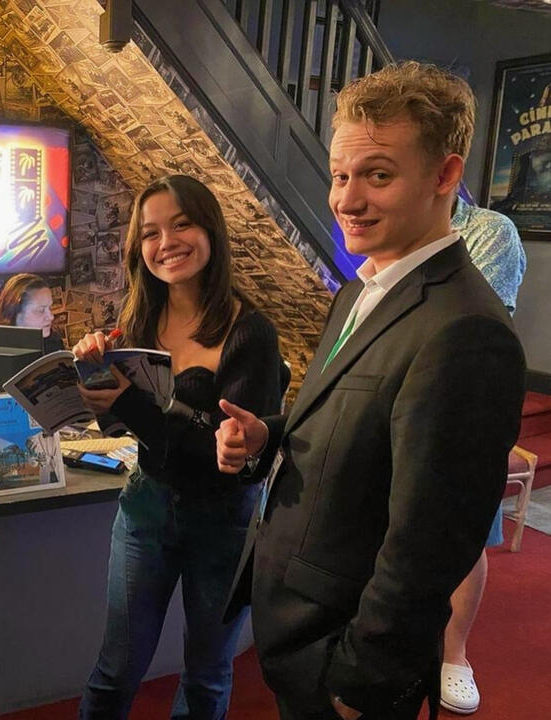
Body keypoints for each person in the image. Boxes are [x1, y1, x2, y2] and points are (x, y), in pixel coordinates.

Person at [216, 61, 527, 720]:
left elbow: (432, 542)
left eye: (377, 175)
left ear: (445, 175)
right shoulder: (360, 290)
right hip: (297, 624)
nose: (346, 200)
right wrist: (267, 434)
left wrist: (360, 685)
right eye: (340, 175)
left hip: (346, 659)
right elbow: (343, 421)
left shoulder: (467, 330)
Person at [75, 174, 286, 720]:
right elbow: (134, 432)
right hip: (146, 508)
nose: (165, 242)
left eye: (181, 224)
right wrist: (100, 386)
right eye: (150, 233)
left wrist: (132, 406)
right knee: (114, 672)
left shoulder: (251, 332)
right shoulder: (139, 317)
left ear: (210, 228)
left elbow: (234, 467)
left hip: (224, 523)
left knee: (206, 677)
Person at [441, 194, 526, 715]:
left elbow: (471, 336)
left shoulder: (489, 232)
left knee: (465, 537)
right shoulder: (388, 232)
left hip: (466, 414)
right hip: (397, 408)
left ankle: (454, 653)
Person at [0, 272, 63, 353]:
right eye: (41, 310)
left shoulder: (54, 343)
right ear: (15, 311)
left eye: (50, 307)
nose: (51, 317)